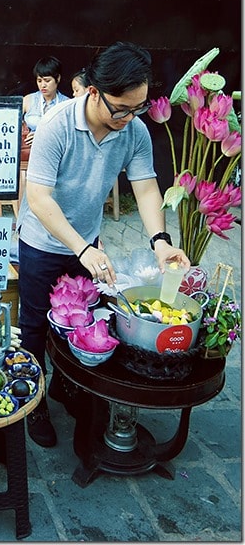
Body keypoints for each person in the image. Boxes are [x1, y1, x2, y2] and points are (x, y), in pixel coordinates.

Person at [16, 41, 190, 448]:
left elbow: (146, 187)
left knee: (82, 321)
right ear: (93, 91)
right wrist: (81, 247)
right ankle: (34, 399)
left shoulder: (133, 130)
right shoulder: (57, 125)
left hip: (86, 243)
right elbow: (39, 198)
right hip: (44, 242)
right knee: (36, 324)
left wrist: (161, 242)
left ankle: (67, 387)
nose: (129, 118)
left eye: (138, 108)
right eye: (121, 108)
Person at [21, 56, 69, 157]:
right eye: (39, 81)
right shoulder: (28, 100)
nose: (43, 85)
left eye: (47, 81)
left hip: (56, 154)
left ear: (58, 78)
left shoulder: (67, 103)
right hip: (29, 155)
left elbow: (69, 134)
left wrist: (41, 136)